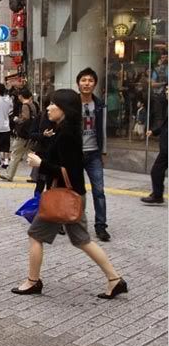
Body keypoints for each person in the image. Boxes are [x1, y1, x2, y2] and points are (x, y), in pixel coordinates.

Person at [12, 89, 127, 300]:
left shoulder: (66, 134)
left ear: (64, 108)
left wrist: (41, 164)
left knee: (35, 235)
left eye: (52, 104)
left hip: (64, 197)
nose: (47, 107)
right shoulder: (64, 130)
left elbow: (70, 171)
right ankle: (114, 279)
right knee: (82, 240)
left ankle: (32, 282)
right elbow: (64, 162)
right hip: (72, 197)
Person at [77, 68, 110, 242]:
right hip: (75, 154)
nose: (87, 83)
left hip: (94, 154)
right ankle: (66, 221)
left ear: (95, 84)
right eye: (83, 80)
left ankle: (101, 226)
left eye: (90, 80)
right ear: (78, 83)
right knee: (73, 191)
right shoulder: (72, 103)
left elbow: (103, 129)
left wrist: (103, 151)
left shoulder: (99, 104)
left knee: (99, 191)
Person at [0, 88, 37, 182]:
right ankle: (35, 176)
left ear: (20, 96)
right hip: (30, 134)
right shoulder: (33, 105)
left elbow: (25, 118)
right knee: (32, 154)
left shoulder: (25, 105)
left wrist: (17, 119)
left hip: (23, 134)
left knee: (15, 154)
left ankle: (9, 175)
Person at [141, 114, 167, 205]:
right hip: (165, 149)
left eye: (167, 98)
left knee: (156, 171)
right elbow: (165, 127)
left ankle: (157, 195)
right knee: (157, 171)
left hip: (166, 150)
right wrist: (153, 132)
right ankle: (157, 195)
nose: (166, 98)